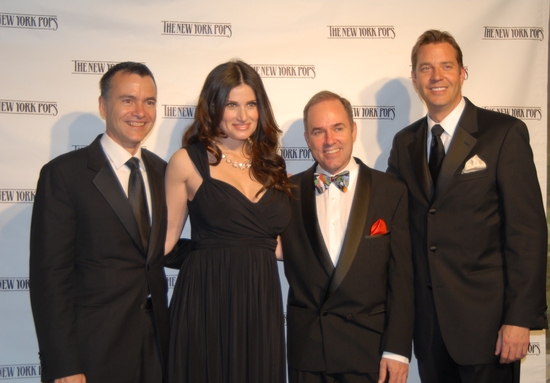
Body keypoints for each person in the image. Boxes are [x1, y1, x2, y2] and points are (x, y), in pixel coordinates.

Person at [387, 29, 548, 383]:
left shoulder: (503, 133)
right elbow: (394, 227)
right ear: (415, 78)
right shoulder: (404, 143)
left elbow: (527, 232)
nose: (436, 76)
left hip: (490, 330)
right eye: (426, 68)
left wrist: (519, 318)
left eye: (446, 66)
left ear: (463, 73)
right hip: (430, 332)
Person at [29, 62, 169, 383]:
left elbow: (162, 251)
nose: (140, 111)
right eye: (127, 100)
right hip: (93, 353)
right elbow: (50, 279)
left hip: (157, 350)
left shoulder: (163, 172)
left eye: (149, 101)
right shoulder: (64, 175)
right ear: (104, 105)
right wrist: (64, 365)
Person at [164, 60, 293, 383]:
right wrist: (207, 255)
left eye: (251, 104)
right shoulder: (186, 161)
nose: (243, 116)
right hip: (207, 299)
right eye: (231, 105)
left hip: (260, 302)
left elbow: (278, 246)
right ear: (213, 106)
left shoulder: (274, 165)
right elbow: (164, 244)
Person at [281, 90, 414, 383]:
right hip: (308, 355)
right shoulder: (285, 193)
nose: (329, 140)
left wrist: (398, 351)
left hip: (370, 353)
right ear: (306, 138)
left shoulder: (391, 192)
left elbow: (403, 279)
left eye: (338, 128)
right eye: (318, 131)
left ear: (353, 129)